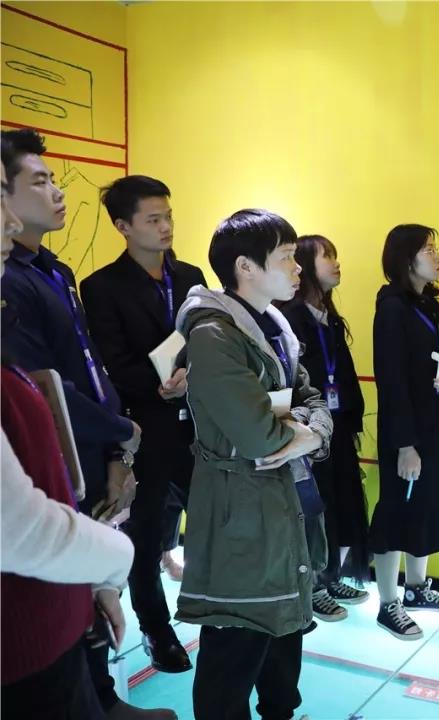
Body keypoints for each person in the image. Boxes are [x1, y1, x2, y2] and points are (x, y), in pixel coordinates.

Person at [0, 127, 175, 720]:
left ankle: (102, 695)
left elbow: (87, 368)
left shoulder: (55, 270)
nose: (57, 191)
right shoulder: (17, 282)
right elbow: (50, 388)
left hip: (95, 446)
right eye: (38, 182)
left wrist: (117, 447)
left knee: (86, 603)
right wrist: (122, 433)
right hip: (60, 457)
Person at [175, 209, 331, 720]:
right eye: (286, 257)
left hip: (285, 499)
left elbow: (315, 401)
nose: (298, 268)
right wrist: (305, 431)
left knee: (284, 643)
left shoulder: (276, 326)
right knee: (235, 648)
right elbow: (260, 437)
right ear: (245, 266)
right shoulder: (214, 334)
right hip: (240, 508)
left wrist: (309, 433)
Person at [81, 175, 207, 674]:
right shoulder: (102, 286)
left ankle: (218, 612)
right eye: (153, 219)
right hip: (145, 425)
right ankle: (156, 629)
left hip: (197, 424)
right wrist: (157, 386)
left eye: (168, 216)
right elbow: (111, 361)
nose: (166, 226)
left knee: (215, 519)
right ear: (123, 226)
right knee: (146, 532)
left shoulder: (190, 275)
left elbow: (206, 337)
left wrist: (192, 374)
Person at [369, 224, 439, 641]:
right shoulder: (392, 308)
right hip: (406, 431)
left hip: (434, 425)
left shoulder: (429, 305)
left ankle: (416, 589)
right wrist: (404, 445)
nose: (437, 256)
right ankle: (387, 603)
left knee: (425, 506)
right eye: (428, 249)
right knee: (397, 510)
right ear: (406, 258)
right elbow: (391, 380)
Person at [279, 234, 370, 623]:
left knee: (341, 504)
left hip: (338, 426)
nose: (336, 262)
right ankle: (312, 584)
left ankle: (330, 576)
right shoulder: (291, 317)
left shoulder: (328, 317)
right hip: (309, 430)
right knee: (315, 505)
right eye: (326, 256)